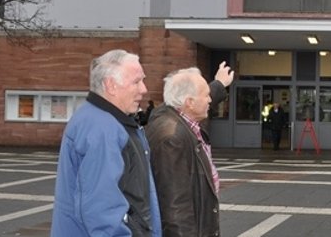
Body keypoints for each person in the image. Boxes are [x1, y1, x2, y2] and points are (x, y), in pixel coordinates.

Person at [51, 49, 161, 236]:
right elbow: (102, 210)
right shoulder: (102, 129)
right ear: (111, 85)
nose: (144, 89)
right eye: (136, 81)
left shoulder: (102, 120)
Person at [146, 62, 234, 237]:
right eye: (207, 95)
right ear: (189, 102)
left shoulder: (171, 116)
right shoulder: (172, 138)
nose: (210, 100)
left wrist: (218, 85)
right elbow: (176, 207)